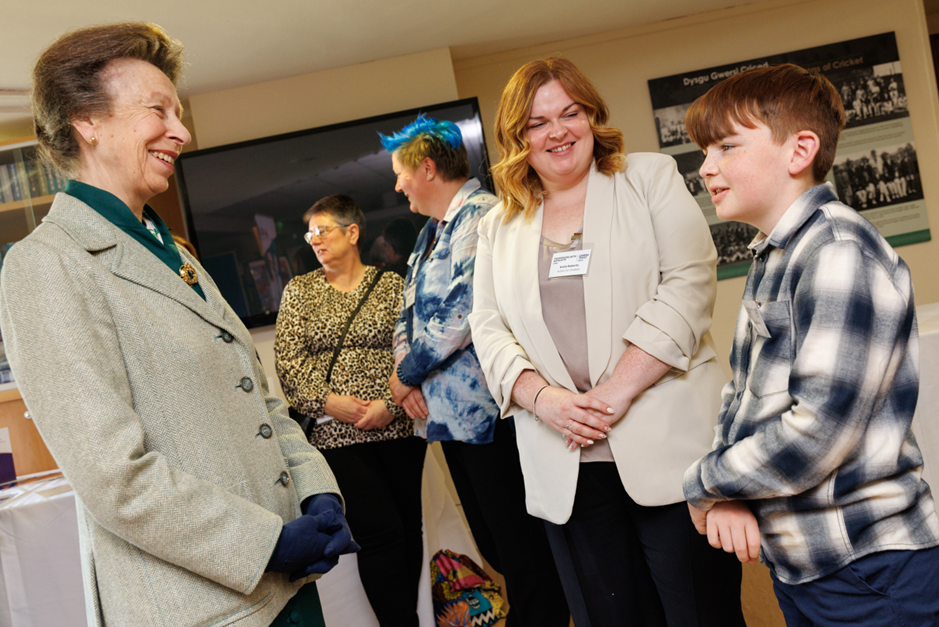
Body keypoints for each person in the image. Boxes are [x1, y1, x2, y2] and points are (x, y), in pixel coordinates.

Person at [0, 23, 357, 627]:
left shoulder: (177, 254)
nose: (181, 131)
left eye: (180, 111)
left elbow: (260, 398)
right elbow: (115, 476)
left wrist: (316, 487)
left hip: (287, 590)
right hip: (206, 608)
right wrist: (264, 544)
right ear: (87, 119)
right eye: (158, 110)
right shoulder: (45, 265)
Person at [468, 57, 745, 627]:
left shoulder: (648, 178)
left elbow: (689, 283)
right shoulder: (500, 224)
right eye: (538, 122)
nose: (558, 131)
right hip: (564, 457)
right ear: (517, 138)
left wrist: (615, 392)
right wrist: (545, 400)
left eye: (571, 112)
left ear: (592, 116)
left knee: (701, 612)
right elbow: (487, 327)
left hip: (669, 452)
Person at [682, 63, 939, 626]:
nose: (706, 167)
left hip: (867, 568)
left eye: (726, 146)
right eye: (706, 151)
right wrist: (731, 493)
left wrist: (704, 483)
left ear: (800, 151)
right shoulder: (774, 253)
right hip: (806, 564)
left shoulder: (838, 249)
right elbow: (744, 397)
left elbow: (817, 430)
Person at [380, 115, 570, 627]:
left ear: (426, 167)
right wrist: (407, 376)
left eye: (400, 173)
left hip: (491, 415)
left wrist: (408, 374)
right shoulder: (429, 233)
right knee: (495, 544)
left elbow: (461, 311)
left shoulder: (483, 215)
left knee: (520, 544)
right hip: (450, 418)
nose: (397, 185)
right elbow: (408, 313)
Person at [274, 194, 425, 627]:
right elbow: (288, 364)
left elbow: (413, 350)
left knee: (408, 528)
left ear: (352, 232)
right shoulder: (300, 291)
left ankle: (405, 617)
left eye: (324, 230)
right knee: (380, 533)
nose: (315, 240)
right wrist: (329, 401)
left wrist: (390, 405)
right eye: (311, 233)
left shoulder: (393, 285)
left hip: (398, 429)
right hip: (336, 436)